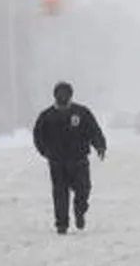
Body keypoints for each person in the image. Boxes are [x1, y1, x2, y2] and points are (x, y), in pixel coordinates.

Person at [33, 81, 107, 234]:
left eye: (65, 93)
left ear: (70, 95)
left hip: (79, 160)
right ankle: (61, 224)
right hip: (57, 162)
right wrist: (45, 152)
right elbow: (38, 136)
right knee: (60, 193)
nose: (62, 96)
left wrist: (99, 145)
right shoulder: (47, 116)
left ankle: (79, 212)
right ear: (55, 96)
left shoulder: (81, 112)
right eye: (59, 93)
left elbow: (93, 130)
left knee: (83, 189)